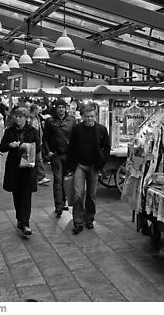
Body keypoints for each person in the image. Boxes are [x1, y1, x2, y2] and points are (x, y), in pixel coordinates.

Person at [66, 103, 111, 234]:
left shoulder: (102, 129)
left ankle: (89, 218)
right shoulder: (77, 129)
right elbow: (71, 148)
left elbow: (107, 147)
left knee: (91, 194)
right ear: (83, 117)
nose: (90, 119)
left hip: (94, 166)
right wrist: (70, 166)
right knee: (78, 194)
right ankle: (78, 221)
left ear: (95, 116)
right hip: (79, 165)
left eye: (92, 116)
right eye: (87, 116)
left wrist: (101, 163)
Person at [0, 107, 40, 236]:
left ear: (26, 118)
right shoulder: (9, 131)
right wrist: (10, 145)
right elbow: (2, 147)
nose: (18, 119)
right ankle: (20, 219)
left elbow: (37, 147)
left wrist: (27, 146)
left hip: (28, 167)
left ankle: (25, 223)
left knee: (26, 195)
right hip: (14, 167)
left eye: (21, 116)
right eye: (16, 116)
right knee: (17, 195)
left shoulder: (33, 131)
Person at [43, 98, 77, 217]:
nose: (61, 109)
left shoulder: (72, 120)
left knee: (66, 179)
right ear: (56, 108)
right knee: (58, 180)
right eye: (59, 107)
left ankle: (64, 201)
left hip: (68, 155)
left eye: (63, 107)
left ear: (66, 108)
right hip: (56, 155)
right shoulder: (50, 121)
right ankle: (58, 205)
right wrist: (48, 152)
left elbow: (75, 138)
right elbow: (45, 138)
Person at [30, 104, 50, 185]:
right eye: (38, 109)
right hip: (33, 142)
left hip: (38, 141)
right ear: (34, 109)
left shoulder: (37, 117)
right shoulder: (30, 118)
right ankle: (40, 176)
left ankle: (37, 176)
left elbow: (39, 130)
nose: (39, 110)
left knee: (36, 159)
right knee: (38, 159)